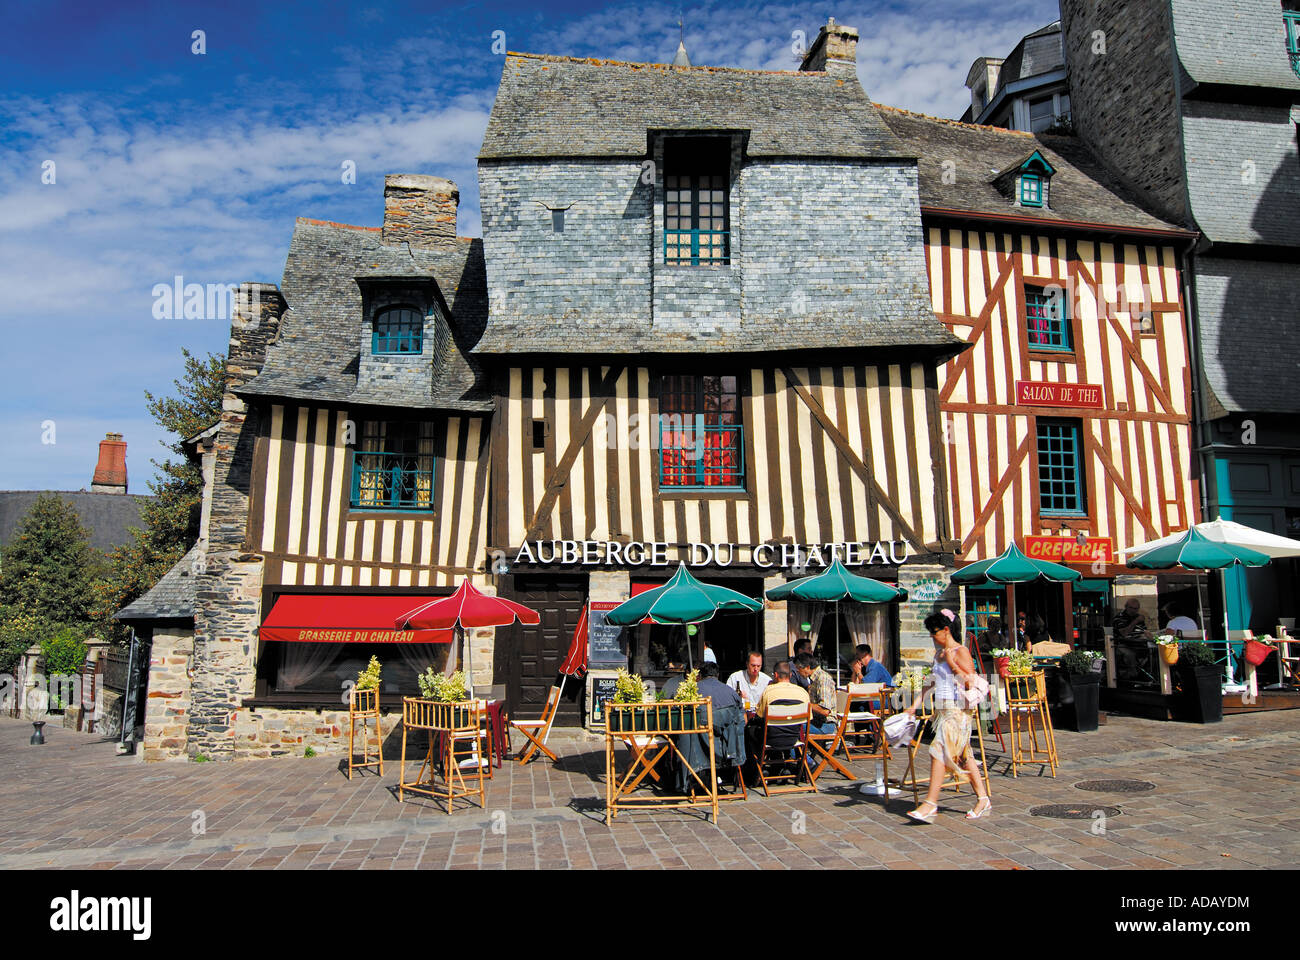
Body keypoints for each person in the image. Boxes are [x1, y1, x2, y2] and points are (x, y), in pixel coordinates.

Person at [905, 609, 992, 823]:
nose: (932, 637)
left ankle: (930, 803)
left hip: (959, 711)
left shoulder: (960, 651)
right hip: (943, 710)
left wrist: (951, 662)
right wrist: (914, 705)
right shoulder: (938, 654)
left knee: (938, 750)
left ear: (945, 630)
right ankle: (983, 799)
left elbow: (969, 682)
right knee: (965, 757)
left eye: (934, 632)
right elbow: (931, 682)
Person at [794, 652, 838, 735]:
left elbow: (825, 710)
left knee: (790, 727)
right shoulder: (814, 679)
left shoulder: (823, 679)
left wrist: (804, 705)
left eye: (798, 669)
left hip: (825, 725)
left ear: (807, 667)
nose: (797, 672)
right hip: (816, 722)